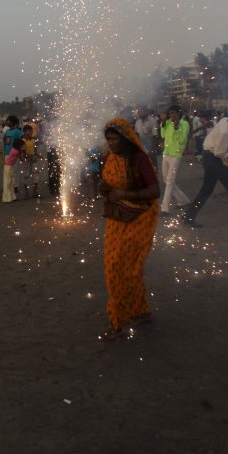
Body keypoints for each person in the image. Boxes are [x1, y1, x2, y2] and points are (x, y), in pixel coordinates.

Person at [98, 117, 160, 341]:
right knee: (120, 265)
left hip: (141, 218)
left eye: (114, 139)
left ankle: (117, 322)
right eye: (108, 139)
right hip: (118, 217)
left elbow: (155, 191)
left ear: (125, 138)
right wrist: (105, 189)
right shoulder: (110, 158)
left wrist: (124, 194)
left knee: (122, 266)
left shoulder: (139, 159)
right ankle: (141, 311)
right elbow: (110, 185)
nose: (110, 143)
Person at [180, 113, 228, 230]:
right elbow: (219, 152)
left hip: (210, 158)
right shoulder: (224, 131)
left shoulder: (226, 120)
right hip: (213, 159)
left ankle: (188, 216)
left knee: (206, 190)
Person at [158, 104, 191, 213]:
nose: (171, 115)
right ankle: (183, 200)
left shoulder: (184, 124)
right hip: (166, 153)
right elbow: (163, 135)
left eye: (173, 113)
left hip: (176, 156)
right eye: (169, 113)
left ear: (178, 113)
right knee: (166, 180)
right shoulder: (167, 122)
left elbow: (182, 140)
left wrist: (177, 128)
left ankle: (164, 208)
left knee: (170, 181)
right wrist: (163, 122)